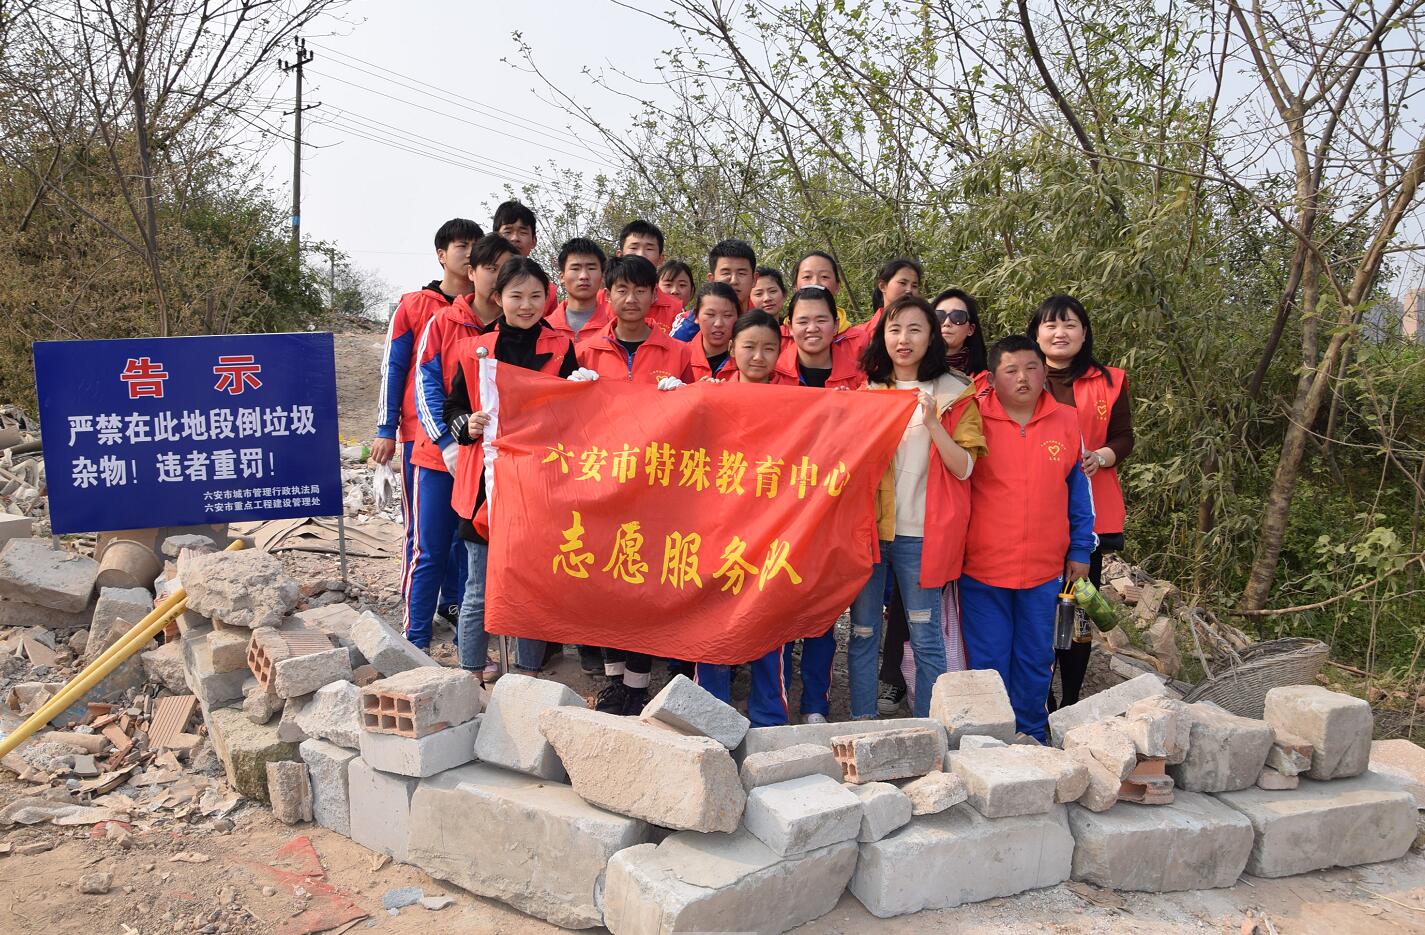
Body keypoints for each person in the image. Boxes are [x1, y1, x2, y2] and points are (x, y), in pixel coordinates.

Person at [849, 295, 984, 720]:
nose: (903, 339)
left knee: (926, 637)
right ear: (882, 337)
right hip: (870, 533)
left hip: (922, 535)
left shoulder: (955, 391)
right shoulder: (868, 392)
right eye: (894, 329)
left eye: (914, 329)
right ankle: (862, 722)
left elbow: (965, 468)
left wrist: (932, 423)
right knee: (863, 632)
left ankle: (929, 729)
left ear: (931, 337)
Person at [443, 257, 579, 680]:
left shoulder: (562, 348)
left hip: (540, 483)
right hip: (484, 486)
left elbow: (576, 413)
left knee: (531, 586)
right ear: (498, 297)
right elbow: (453, 407)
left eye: (536, 296)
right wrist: (467, 425)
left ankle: (526, 675)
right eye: (516, 296)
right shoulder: (474, 349)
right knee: (478, 588)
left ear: (548, 298)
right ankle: (469, 673)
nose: (526, 305)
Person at [959, 335, 1096, 742]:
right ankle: (990, 737)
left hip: (1044, 568)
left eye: (1032, 368)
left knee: (1036, 655)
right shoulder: (972, 418)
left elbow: (1079, 492)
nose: (1023, 378)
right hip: (982, 567)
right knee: (988, 659)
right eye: (1011, 370)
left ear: (1044, 373)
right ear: (991, 379)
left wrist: (1080, 548)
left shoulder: (1067, 420)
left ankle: (1032, 732)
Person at [574, 254, 693, 713]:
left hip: (655, 486)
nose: (631, 299)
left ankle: (638, 683)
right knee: (604, 580)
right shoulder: (585, 351)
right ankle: (614, 681)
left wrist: (686, 394)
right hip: (602, 483)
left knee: (642, 582)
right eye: (622, 290)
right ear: (607, 296)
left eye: (641, 290)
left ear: (653, 297)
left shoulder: (677, 353)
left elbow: (702, 414)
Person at [404, 234, 518, 650]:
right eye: (490, 268)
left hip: (494, 465)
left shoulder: (514, 328)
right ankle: (414, 640)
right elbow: (426, 384)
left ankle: (471, 646)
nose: (497, 277)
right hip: (439, 458)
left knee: (479, 554)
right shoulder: (443, 322)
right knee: (431, 550)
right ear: (472, 272)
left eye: (505, 269)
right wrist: (446, 441)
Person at [372, 217, 483, 633]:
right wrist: (386, 428)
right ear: (441, 254)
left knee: (462, 531)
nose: (468, 253)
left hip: (470, 435)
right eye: (460, 246)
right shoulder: (416, 305)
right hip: (420, 434)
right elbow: (395, 367)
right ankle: (414, 616)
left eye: (474, 246)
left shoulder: (486, 308)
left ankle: (452, 604)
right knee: (424, 532)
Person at [1029, 294, 1133, 710]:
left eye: (1070, 324)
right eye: (1051, 325)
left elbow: (1123, 437)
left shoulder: (1110, 381)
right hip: (1030, 513)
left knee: (1078, 609)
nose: (1060, 333)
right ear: (1036, 333)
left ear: (1084, 333)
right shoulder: (1018, 376)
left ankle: (1071, 699)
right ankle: (1040, 698)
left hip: (1088, 517)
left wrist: (1101, 456)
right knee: (1038, 609)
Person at [596, 220, 683, 332]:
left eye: (649, 249)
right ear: (620, 255)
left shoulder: (675, 309)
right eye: (634, 248)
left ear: (660, 259)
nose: (641, 254)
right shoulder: (597, 301)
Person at [773, 285, 866, 389]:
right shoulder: (772, 374)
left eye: (821, 321)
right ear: (790, 328)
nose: (812, 329)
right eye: (803, 322)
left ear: (836, 325)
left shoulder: (861, 379)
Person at [672, 239, 758, 341]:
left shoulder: (764, 319)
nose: (734, 281)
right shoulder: (691, 323)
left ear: (754, 279)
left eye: (742, 273)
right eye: (726, 273)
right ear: (711, 279)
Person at [841, 257, 923, 356]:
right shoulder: (857, 335)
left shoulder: (926, 331)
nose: (909, 290)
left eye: (914, 286)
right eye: (902, 283)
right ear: (883, 286)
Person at [493, 199, 558, 316]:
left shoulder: (548, 291)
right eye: (507, 232)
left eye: (523, 232)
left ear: (534, 241)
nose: (515, 238)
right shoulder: (481, 281)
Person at [548, 237, 610, 344]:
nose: (584, 276)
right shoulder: (544, 328)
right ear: (562, 277)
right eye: (575, 268)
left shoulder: (614, 328)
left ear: (602, 276)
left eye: (591, 268)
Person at [790, 251, 853, 335]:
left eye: (824, 276)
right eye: (807, 277)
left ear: (837, 286)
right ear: (795, 286)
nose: (815, 283)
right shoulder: (778, 337)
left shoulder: (859, 339)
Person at [687, 282, 741, 381]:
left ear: (738, 317)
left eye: (727, 315)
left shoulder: (747, 360)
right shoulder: (680, 357)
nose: (718, 323)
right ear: (696, 316)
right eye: (710, 314)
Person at [724, 309, 792, 384]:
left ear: (779, 352)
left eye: (768, 349)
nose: (758, 357)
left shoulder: (794, 390)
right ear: (732, 348)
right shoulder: (719, 389)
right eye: (749, 347)